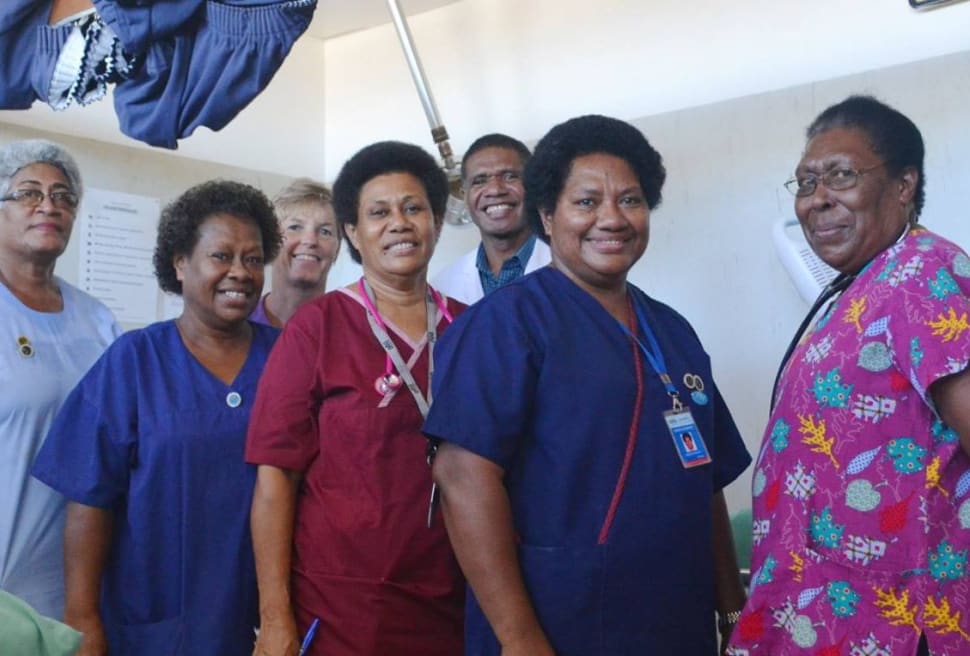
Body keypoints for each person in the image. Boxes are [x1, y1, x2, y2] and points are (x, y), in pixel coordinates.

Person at [424, 114, 751, 655]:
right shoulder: (503, 325)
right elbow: (462, 478)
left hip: (674, 620)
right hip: (557, 620)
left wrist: (731, 608)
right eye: (586, 202)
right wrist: (519, 638)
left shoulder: (672, 330)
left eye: (630, 200)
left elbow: (705, 477)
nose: (612, 219)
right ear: (546, 217)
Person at [728, 96, 970, 656]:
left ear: (904, 185)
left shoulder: (921, 272)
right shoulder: (861, 287)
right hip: (828, 615)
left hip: (897, 624)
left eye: (841, 175)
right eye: (806, 182)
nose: (818, 200)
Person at [32, 180, 281, 655]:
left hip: (263, 616)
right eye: (221, 256)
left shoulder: (287, 358)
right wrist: (82, 618)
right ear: (180, 263)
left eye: (253, 258)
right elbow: (88, 498)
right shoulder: (133, 361)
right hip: (153, 618)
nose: (241, 272)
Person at [246, 141, 466, 656]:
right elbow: (276, 477)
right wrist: (275, 617)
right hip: (341, 600)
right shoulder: (317, 328)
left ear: (435, 220)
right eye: (378, 212)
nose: (399, 223)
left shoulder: (470, 327)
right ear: (353, 232)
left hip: (453, 590)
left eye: (414, 208)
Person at [0, 139, 120, 619]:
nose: (49, 205)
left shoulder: (98, 322)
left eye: (64, 196)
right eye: (29, 193)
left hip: (76, 601)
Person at [433, 133, 550, 304]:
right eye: (479, 181)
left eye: (510, 176)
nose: (495, 190)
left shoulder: (573, 265)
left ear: (533, 186)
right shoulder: (443, 287)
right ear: (465, 197)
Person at [250, 178, 340, 327]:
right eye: (295, 227)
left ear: (337, 250)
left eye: (325, 231)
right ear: (269, 245)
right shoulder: (236, 326)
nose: (310, 240)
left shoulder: (351, 332)